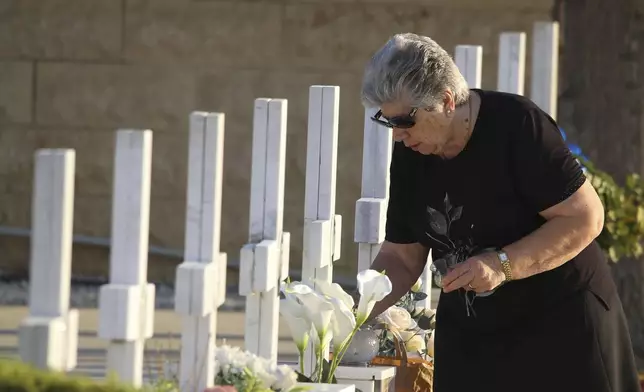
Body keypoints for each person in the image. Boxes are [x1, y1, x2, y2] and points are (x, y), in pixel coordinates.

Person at [361, 33, 641, 392]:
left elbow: (585, 217)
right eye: (388, 122)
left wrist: (501, 264)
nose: (398, 136)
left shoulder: (518, 125)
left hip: (561, 327)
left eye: (405, 121)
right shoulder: (412, 152)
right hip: (474, 337)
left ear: (446, 101)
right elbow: (401, 256)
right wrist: (350, 312)